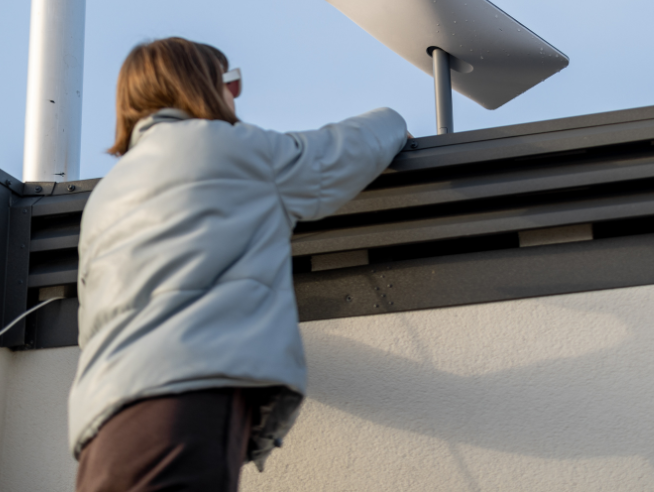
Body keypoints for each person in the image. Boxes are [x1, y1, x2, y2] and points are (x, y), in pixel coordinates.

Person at [69, 37, 408, 492]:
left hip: (104, 428)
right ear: (200, 85)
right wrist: (395, 120)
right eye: (230, 82)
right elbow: (334, 156)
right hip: (182, 407)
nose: (235, 95)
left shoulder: (106, 194)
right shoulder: (230, 149)